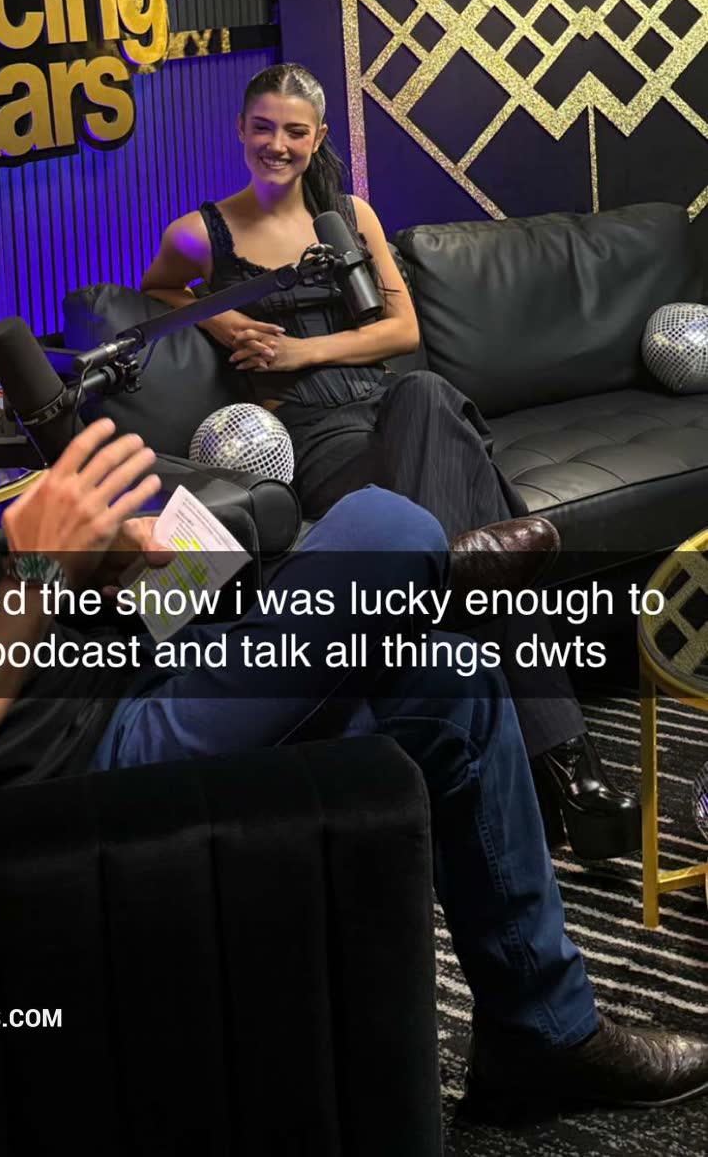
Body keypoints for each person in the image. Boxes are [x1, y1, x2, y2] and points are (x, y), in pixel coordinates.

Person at [0, 99, 706, 1126]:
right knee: (385, 523)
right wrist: (40, 573)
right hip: (81, 770)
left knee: (444, 674)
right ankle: (426, 572)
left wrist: (88, 566)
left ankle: (540, 1033)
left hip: (97, 683)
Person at [140, 61, 637, 861]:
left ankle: (454, 596)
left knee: (425, 394)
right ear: (239, 130)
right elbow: (162, 293)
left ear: (317, 137)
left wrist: (302, 349)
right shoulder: (201, 233)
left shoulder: (350, 217)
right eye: (262, 128)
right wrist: (223, 326)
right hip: (317, 440)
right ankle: (569, 768)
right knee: (472, 505)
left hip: (393, 413)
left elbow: (402, 333)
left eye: (294, 131)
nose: (276, 145)